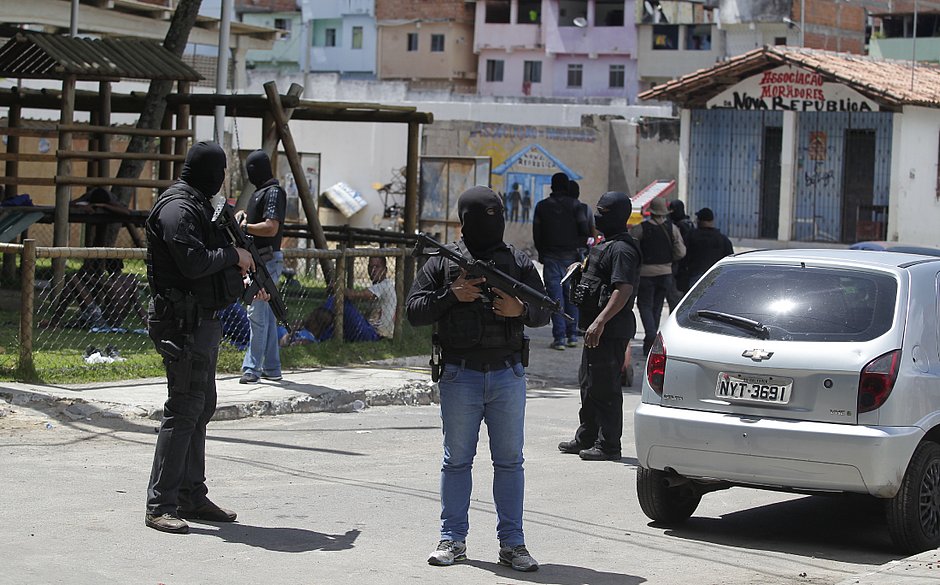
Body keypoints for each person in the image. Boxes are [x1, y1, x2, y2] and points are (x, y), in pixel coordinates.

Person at [406, 186, 550, 572]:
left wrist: (519, 310)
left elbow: (545, 311)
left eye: (497, 213)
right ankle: (452, 539)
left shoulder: (516, 261)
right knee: (456, 461)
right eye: (485, 214)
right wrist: (452, 295)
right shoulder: (443, 261)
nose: (493, 221)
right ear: (465, 220)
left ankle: (513, 544)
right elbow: (414, 311)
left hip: (507, 373)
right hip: (460, 374)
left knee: (509, 462)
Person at [144, 141, 254, 534]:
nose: (222, 179)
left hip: (200, 322)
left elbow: (207, 257)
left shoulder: (199, 205)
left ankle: (191, 495)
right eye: (220, 171)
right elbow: (192, 263)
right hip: (181, 324)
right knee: (184, 408)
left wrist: (240, 274)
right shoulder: (178, 208)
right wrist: (233, 256)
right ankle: (161, 504)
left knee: (201, 406)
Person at [558, 191, 641, 461]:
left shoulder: (623, 250)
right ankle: (587, 436)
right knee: (589, 384)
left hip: (610, 329)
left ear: (616, 216)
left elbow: (623, 289)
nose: (597, 216)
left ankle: (609, 445)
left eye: (602, 212)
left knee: (605, 388)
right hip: (596, 329)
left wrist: (600, 321)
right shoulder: (607, 245)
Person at [236, 150, 287, 385]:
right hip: (259, 260)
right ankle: (272, 368)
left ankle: (252, 368)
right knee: (265, 315)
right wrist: (243, 217)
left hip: (268, 260)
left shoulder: (274, 192)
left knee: (256, 312)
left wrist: (246, 227)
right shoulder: (261, 193)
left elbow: (270, 227)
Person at [532, 172, 589, 350]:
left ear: (552, 186)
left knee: (554, 299)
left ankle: (559, 339)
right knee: (571, 297)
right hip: (571, 257)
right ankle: (572, 335)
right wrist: (577, 248)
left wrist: (542, 252)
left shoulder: (542, 206)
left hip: (550, 257)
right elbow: (584, 230)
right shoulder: (575, 205)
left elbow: (537, 233)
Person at [629, 197, 685, 356]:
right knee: (657, 307)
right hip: (665, 274)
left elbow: (631, 247)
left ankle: (651, 336)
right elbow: (681, 252)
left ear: (651, 212)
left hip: (645, 274)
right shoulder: (672, 228)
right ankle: (651, 341)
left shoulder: (640, 228)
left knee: (645, 306)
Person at [344, 256, 397, 339]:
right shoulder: (377, 286)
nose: (373, 270)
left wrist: (339, 288)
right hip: (370, 329)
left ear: (385, 270)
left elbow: (357, 295)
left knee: (342, 304)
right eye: (371, 267)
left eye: (377, 267)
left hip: (377, 334)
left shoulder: (385, 285)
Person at [682, 207, 734, 288]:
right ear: (712, 221)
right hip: (716, 277)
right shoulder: (722, 239)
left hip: (695, 276)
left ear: (699, 220)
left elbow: (683, 256)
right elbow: (729, 259)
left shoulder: (691, 236)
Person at [666, 199, 694, 305]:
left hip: (679, 263)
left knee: (674, 295)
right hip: (687, 264)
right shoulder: (688, 223)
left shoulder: (680, 226)